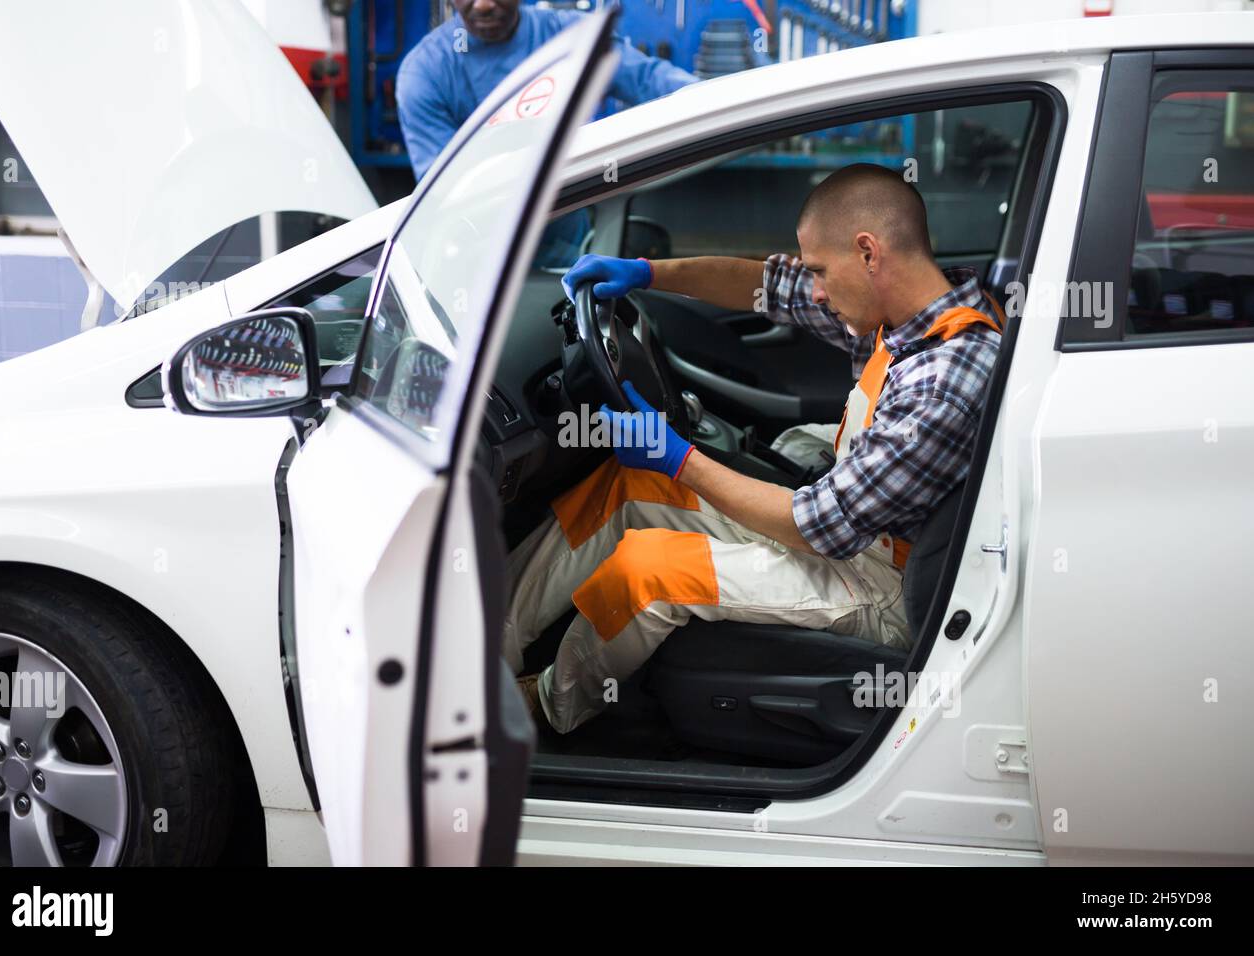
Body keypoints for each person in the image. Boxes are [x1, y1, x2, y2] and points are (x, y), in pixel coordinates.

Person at [505, 163, 1005, 734]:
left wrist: (679, 459)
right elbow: (766, 287)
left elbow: (816, 526)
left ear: (869, 252)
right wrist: (644, 272)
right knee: (627, 488)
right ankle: (486, 647)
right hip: (853, 535)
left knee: (650, 568)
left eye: (820, 270)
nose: (813, 287)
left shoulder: (944, 378)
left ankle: (546, 708)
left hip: (884, 586)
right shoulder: (907, 311)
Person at [396, 0, 696, 181]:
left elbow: (650, 80)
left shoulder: (574, 38)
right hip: (477, 255)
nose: (484, 4)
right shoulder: (425, 72)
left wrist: (725, 100)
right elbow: (441, 188)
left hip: (570, 245)